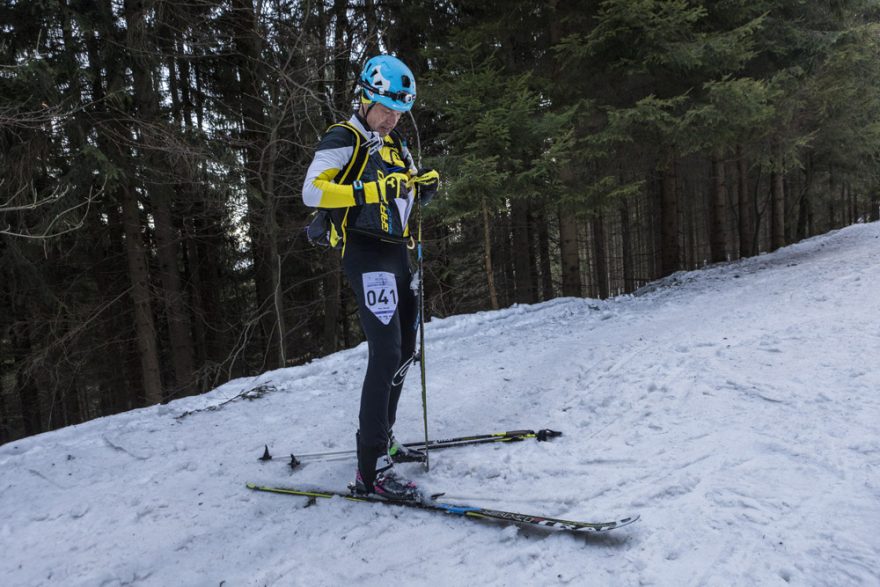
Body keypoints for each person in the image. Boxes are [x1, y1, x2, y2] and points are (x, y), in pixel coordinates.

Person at [302, 55, 440, 501]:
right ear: (364, 99)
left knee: (404, 349)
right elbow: (312, 189)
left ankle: (385, 436)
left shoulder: (396, 143)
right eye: (385, 109)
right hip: (364, 251)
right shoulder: (345, 136)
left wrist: (422, 185)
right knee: (384, 352)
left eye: (399, 112)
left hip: (397, 252)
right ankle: (370, 470)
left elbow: (402, 192)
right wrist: (367, 189)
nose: (391, 118)